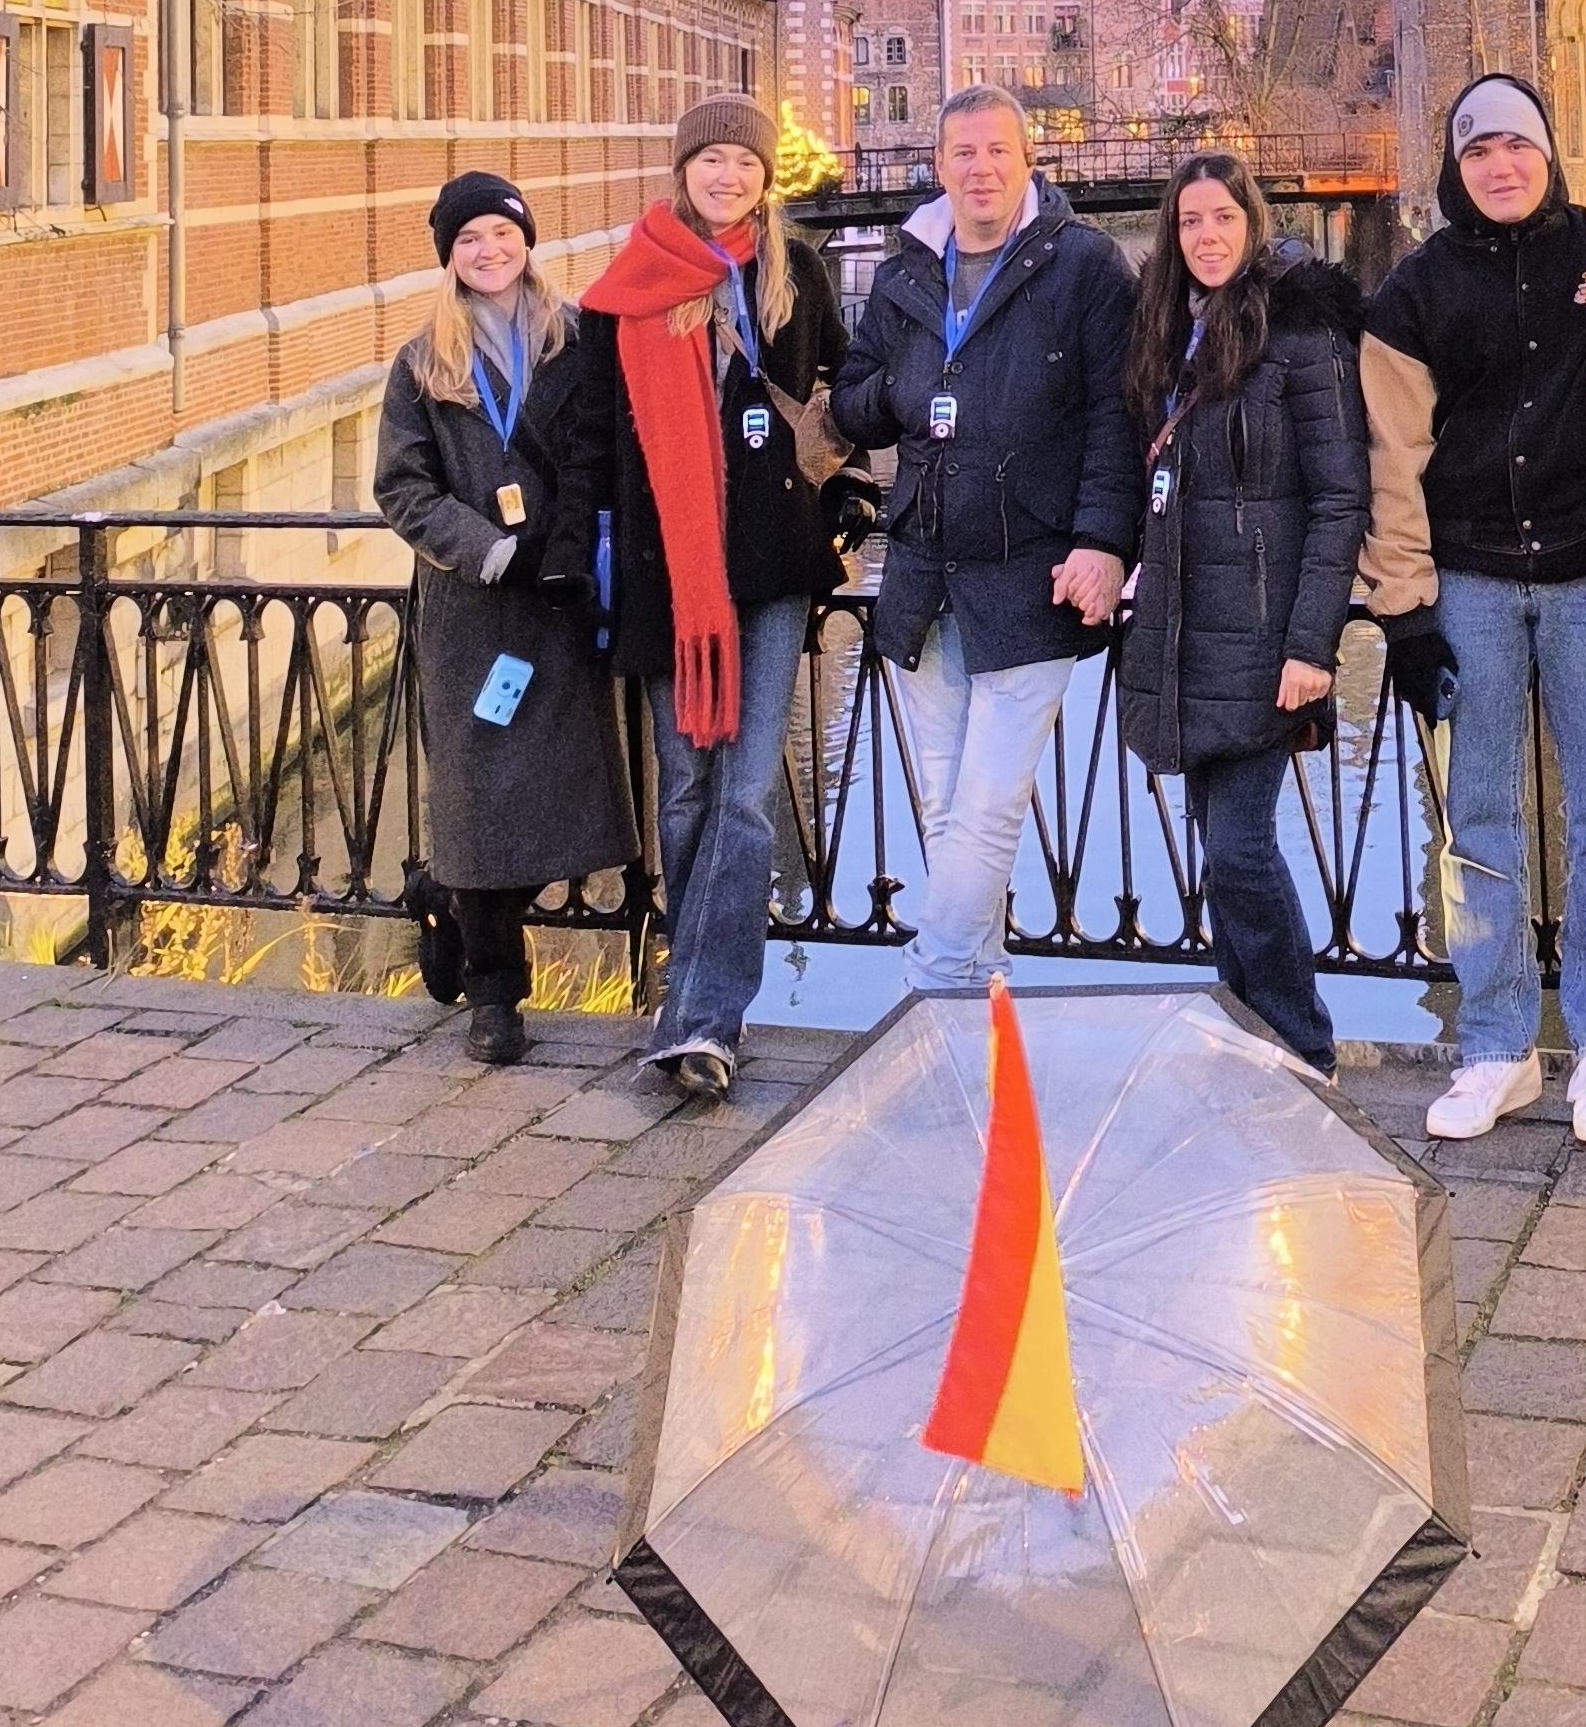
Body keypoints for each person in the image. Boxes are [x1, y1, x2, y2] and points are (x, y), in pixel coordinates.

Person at [537, 96, 868, 1101]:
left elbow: (845, 392)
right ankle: (698, 1002)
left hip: (769, 572)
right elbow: (590, 444)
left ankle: (702, 1016)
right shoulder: (623, 293)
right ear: (683, 171)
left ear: (767, 179)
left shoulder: (794, 273)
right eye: (711, 159)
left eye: (745, 163)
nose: (728, 176)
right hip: (667, 581)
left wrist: (847, 492)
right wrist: (568, 556)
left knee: (745, 792)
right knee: (684, 790)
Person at [1359, 74, 1586, 1145]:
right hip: (1470, 575)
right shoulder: (1416, 292)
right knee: (1476, 819)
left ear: (1549, 154)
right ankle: (1496, 1045)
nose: (1501, 166)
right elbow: (1394, 458)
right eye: (1479, 151)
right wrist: (1404, 609)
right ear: (1456, 167)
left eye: (1518, 146)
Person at [831, 83, 1138, 995]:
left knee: (992, 800)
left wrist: (1102, 540)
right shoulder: (906, 269)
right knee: (944, 801)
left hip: (1032, 564)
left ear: (1028, 160)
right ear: (938, 166)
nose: (981, 169)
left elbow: (1117, 419)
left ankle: (930, 981)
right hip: (925, 566)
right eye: (963, 153)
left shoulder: (1084, 266)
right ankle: (978, 996)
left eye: (998, 150)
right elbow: (853, 401)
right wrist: (901, 389)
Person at [1115, 154, 1370, 1073]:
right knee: (1219, 849)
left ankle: (1302, 1041)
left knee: (1239, 847)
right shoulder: (1165, 335)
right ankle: (1247, 1032)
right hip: (1184, 631)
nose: (1207, 236)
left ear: (1252, 222)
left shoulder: (1300, 333)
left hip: (1266, 638)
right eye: (1190, 221)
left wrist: (1312, 644)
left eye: (1223, 217)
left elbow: (1340, 498)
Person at [375, 173, 636, 1066]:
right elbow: (402, 489)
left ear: (528, 241)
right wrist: (489, 549)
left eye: (502, 233)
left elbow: (611, 453)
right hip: (475, 610)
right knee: (480, 801)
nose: (489, 251)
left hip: (562, 598)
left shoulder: (579, 339)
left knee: (563, 796)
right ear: (448, 256)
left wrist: (575, 552)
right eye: (469, 239)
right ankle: (495, 995)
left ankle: (446, 894)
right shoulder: (423, 363)